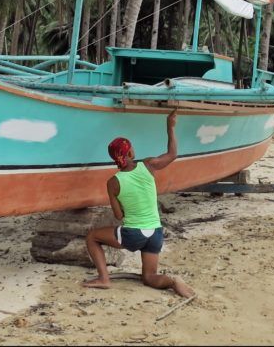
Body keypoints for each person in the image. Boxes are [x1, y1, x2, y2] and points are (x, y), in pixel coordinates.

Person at [82, 111, 194, 298]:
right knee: (149, 277)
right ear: (131, 152)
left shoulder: (113, 182)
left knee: (93, 237)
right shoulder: (148, 165)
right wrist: (170, 126)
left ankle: (103, 279)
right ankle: (173, 281)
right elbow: (173, 154)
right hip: (156, 234)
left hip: (134, 235)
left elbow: (118, 215)